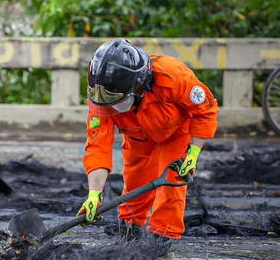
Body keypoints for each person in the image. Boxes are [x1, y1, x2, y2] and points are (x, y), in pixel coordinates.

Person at [78, 38, 219, 245]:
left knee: (171, 185)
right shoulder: (101, 99)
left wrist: (194, 153)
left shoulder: (172, 75)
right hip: (138, 136)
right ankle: (129, 229)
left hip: (175, 133)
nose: (108, 109)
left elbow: (205, 110)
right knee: (135, 183)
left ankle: (163, 236)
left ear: (137, 86)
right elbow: (98, 146)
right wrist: (94, 194)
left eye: (115, 103)